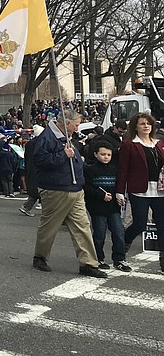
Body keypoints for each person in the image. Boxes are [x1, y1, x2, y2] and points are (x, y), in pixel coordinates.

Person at [32, 110, 107, 277]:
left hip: (74, 187)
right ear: (66, 124)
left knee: (83, 226)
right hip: (56, 188)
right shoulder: (47, 137)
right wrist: (62, 155)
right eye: (76, 125)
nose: (77, 128)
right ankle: (40, 256)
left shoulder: (63, 137)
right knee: (50, 225)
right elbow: (39, 161)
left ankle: (88, 263)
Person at [117, 112, 164, 272]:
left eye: (148, 124)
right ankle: (121, 252)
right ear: (135, 127)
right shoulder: (129, 144)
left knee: (162, 225)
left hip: (160, 191)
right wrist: (120, 191)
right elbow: (123, 169)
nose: (146, 126)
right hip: (139, 191)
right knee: (139, 224)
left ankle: (163, 262)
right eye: (142, 123)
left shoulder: (159, 144)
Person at [84, 142, 131, 272]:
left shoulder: (115, 169)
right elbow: (86, 187)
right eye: (103, 154)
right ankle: (98, 258)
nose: (106, 157)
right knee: (99, 234)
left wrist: (119, 197)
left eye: (108, 154)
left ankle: (119, 258)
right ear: (95, 154)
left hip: (113, 207)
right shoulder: (90, 169)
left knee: (119, 232)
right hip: (97, 207)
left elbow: (118, 186)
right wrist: (100, 195)